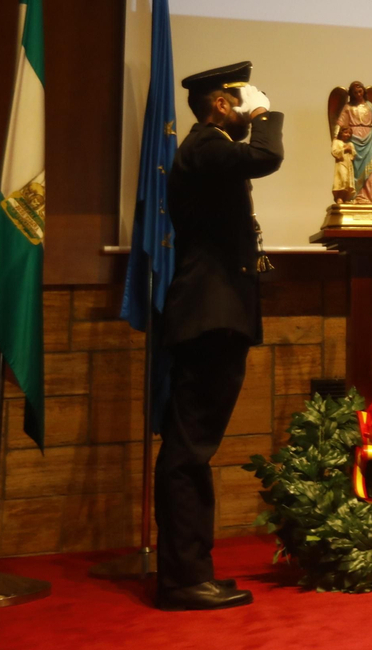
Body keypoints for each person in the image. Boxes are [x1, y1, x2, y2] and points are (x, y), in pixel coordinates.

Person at [154, 62, 283, 611]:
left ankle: (192, 570)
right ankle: (183, 580)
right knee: (189, 449)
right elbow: (267, 157)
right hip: (208, 315)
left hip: (215, 313)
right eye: (239, 98)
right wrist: (267, 115)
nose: (247, 104)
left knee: (193, 448)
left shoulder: (209, 148)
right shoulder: (206, 145)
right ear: (221, 105)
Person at [334, 81, 372, 204]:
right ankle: (355, 196)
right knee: (354, 170)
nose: (358, 94)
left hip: (369, 138)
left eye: (360, 91)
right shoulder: (348, 107)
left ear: (363, 91)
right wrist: (335, 137)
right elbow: (340, 123)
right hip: (354, 139)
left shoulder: (369, 106)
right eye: (355, 92)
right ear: (352, 94)